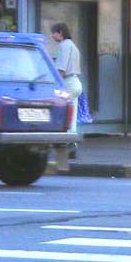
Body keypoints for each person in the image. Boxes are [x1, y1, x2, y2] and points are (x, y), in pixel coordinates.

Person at [50, 22, 82, 162]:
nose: (52, 36)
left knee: (62, 114)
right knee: (71, 115)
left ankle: (64, 145)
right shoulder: (72, 45)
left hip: (67, 82)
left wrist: (57, 86)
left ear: (60, 32)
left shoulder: (63, 46)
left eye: (54, 32)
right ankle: (72, 143)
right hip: (75, 82)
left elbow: (61, 69)